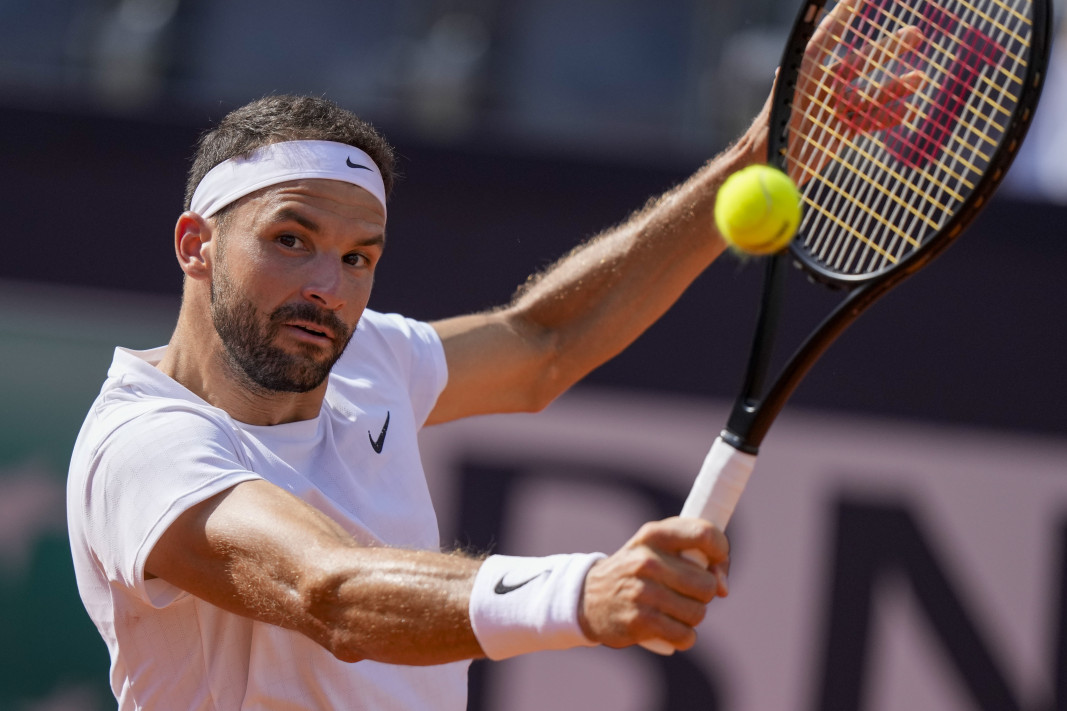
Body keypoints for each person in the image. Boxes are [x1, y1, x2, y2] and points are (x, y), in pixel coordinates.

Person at [67, 4, 922, 708]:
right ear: (196, 245)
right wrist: (578, 595)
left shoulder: (368, 357)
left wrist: (757, 152)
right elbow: (328, 590)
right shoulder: (143, 446)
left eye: (359, 255)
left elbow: (544, 342)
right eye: (291, 239)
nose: (328, 285)